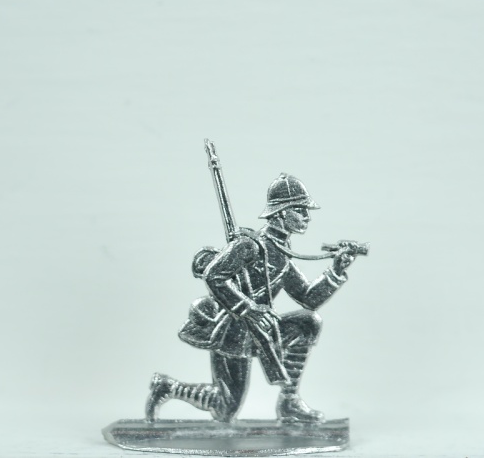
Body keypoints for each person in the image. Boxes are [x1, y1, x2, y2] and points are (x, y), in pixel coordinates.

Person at [144, 173, 359, 424]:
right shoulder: (250, 245)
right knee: (226, 409)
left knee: (308, 322)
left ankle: (289, 401)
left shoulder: (280, 253)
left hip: (263, 330)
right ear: (281, 214)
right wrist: (248, 309)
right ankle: (168, 387)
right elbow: (214, 275)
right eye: (300, 210)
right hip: (232, 332)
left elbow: (308, 298)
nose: (307, 217)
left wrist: (337, 270)